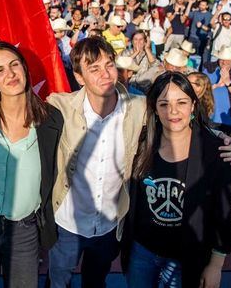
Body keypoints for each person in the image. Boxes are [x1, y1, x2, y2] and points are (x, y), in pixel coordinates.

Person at [46, 37, 147, 288]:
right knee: (58, 281)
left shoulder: (139, 108)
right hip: (67, 223)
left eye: (109, 65)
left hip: (110, 225)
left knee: (96, 281)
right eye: (94, 68)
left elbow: (178, 118)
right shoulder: (59, 106)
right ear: (79, 77)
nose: (106, 74)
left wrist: (220, 138)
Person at [121, 72, 231, 288]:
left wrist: (215, 265)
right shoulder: (140, 143)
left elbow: (225, 213)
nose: (173, 111)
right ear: (154, 108)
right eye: (164, 104)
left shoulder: (217, 151)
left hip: (186, 257)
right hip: (142, 252)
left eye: (181, 102)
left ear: (193, 105)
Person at [0, 42, 60, 287]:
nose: (10, 74)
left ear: (25, 69)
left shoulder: (51, 119)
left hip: (25, 229)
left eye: (14, 65)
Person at [203, 45, 231, 134]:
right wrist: (216, 85)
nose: (223, 62)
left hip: (227, 119)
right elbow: (200, 89)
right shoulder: (209, 68)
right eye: (221, 59)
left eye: (227, 59)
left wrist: (228, 81)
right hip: (208, 115)